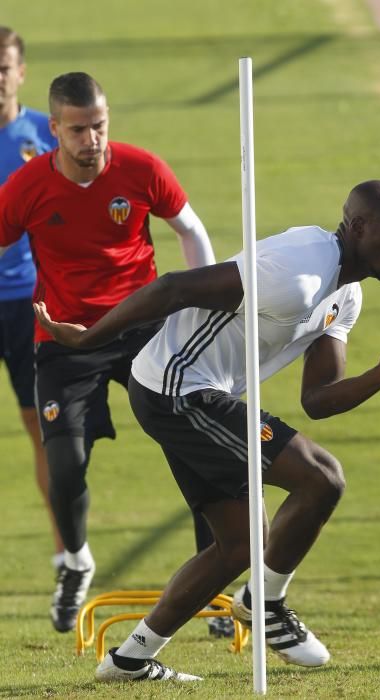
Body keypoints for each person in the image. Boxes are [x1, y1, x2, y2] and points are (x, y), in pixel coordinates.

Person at [34, 179, 380, 683]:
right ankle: (265, 604)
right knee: (322, 477)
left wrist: (378, 377)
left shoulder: (345, 296)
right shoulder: (299, 270)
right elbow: (174, 287)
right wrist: (90, 337)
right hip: (175, 388)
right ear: (358, 227)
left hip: (193, 391)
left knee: (241, 547)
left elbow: (318, 400)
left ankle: (130, 660)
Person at [0, 71, 220, 635]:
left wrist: (199, 308)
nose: (91, 140)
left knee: (197, 450)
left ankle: (219, 580)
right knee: (65, 466)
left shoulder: (142, 169)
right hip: (66, 337)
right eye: (77, 130)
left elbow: (189, 230)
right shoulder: (26, 187)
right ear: (54, 130)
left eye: (98, 126)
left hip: (144, 326)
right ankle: (75, 561)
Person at [0, 27, 64, 569]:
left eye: (3, 68)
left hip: (27, 304)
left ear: (20, 73)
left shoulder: (48, 134)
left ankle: (67, 555)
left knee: (38, 426)